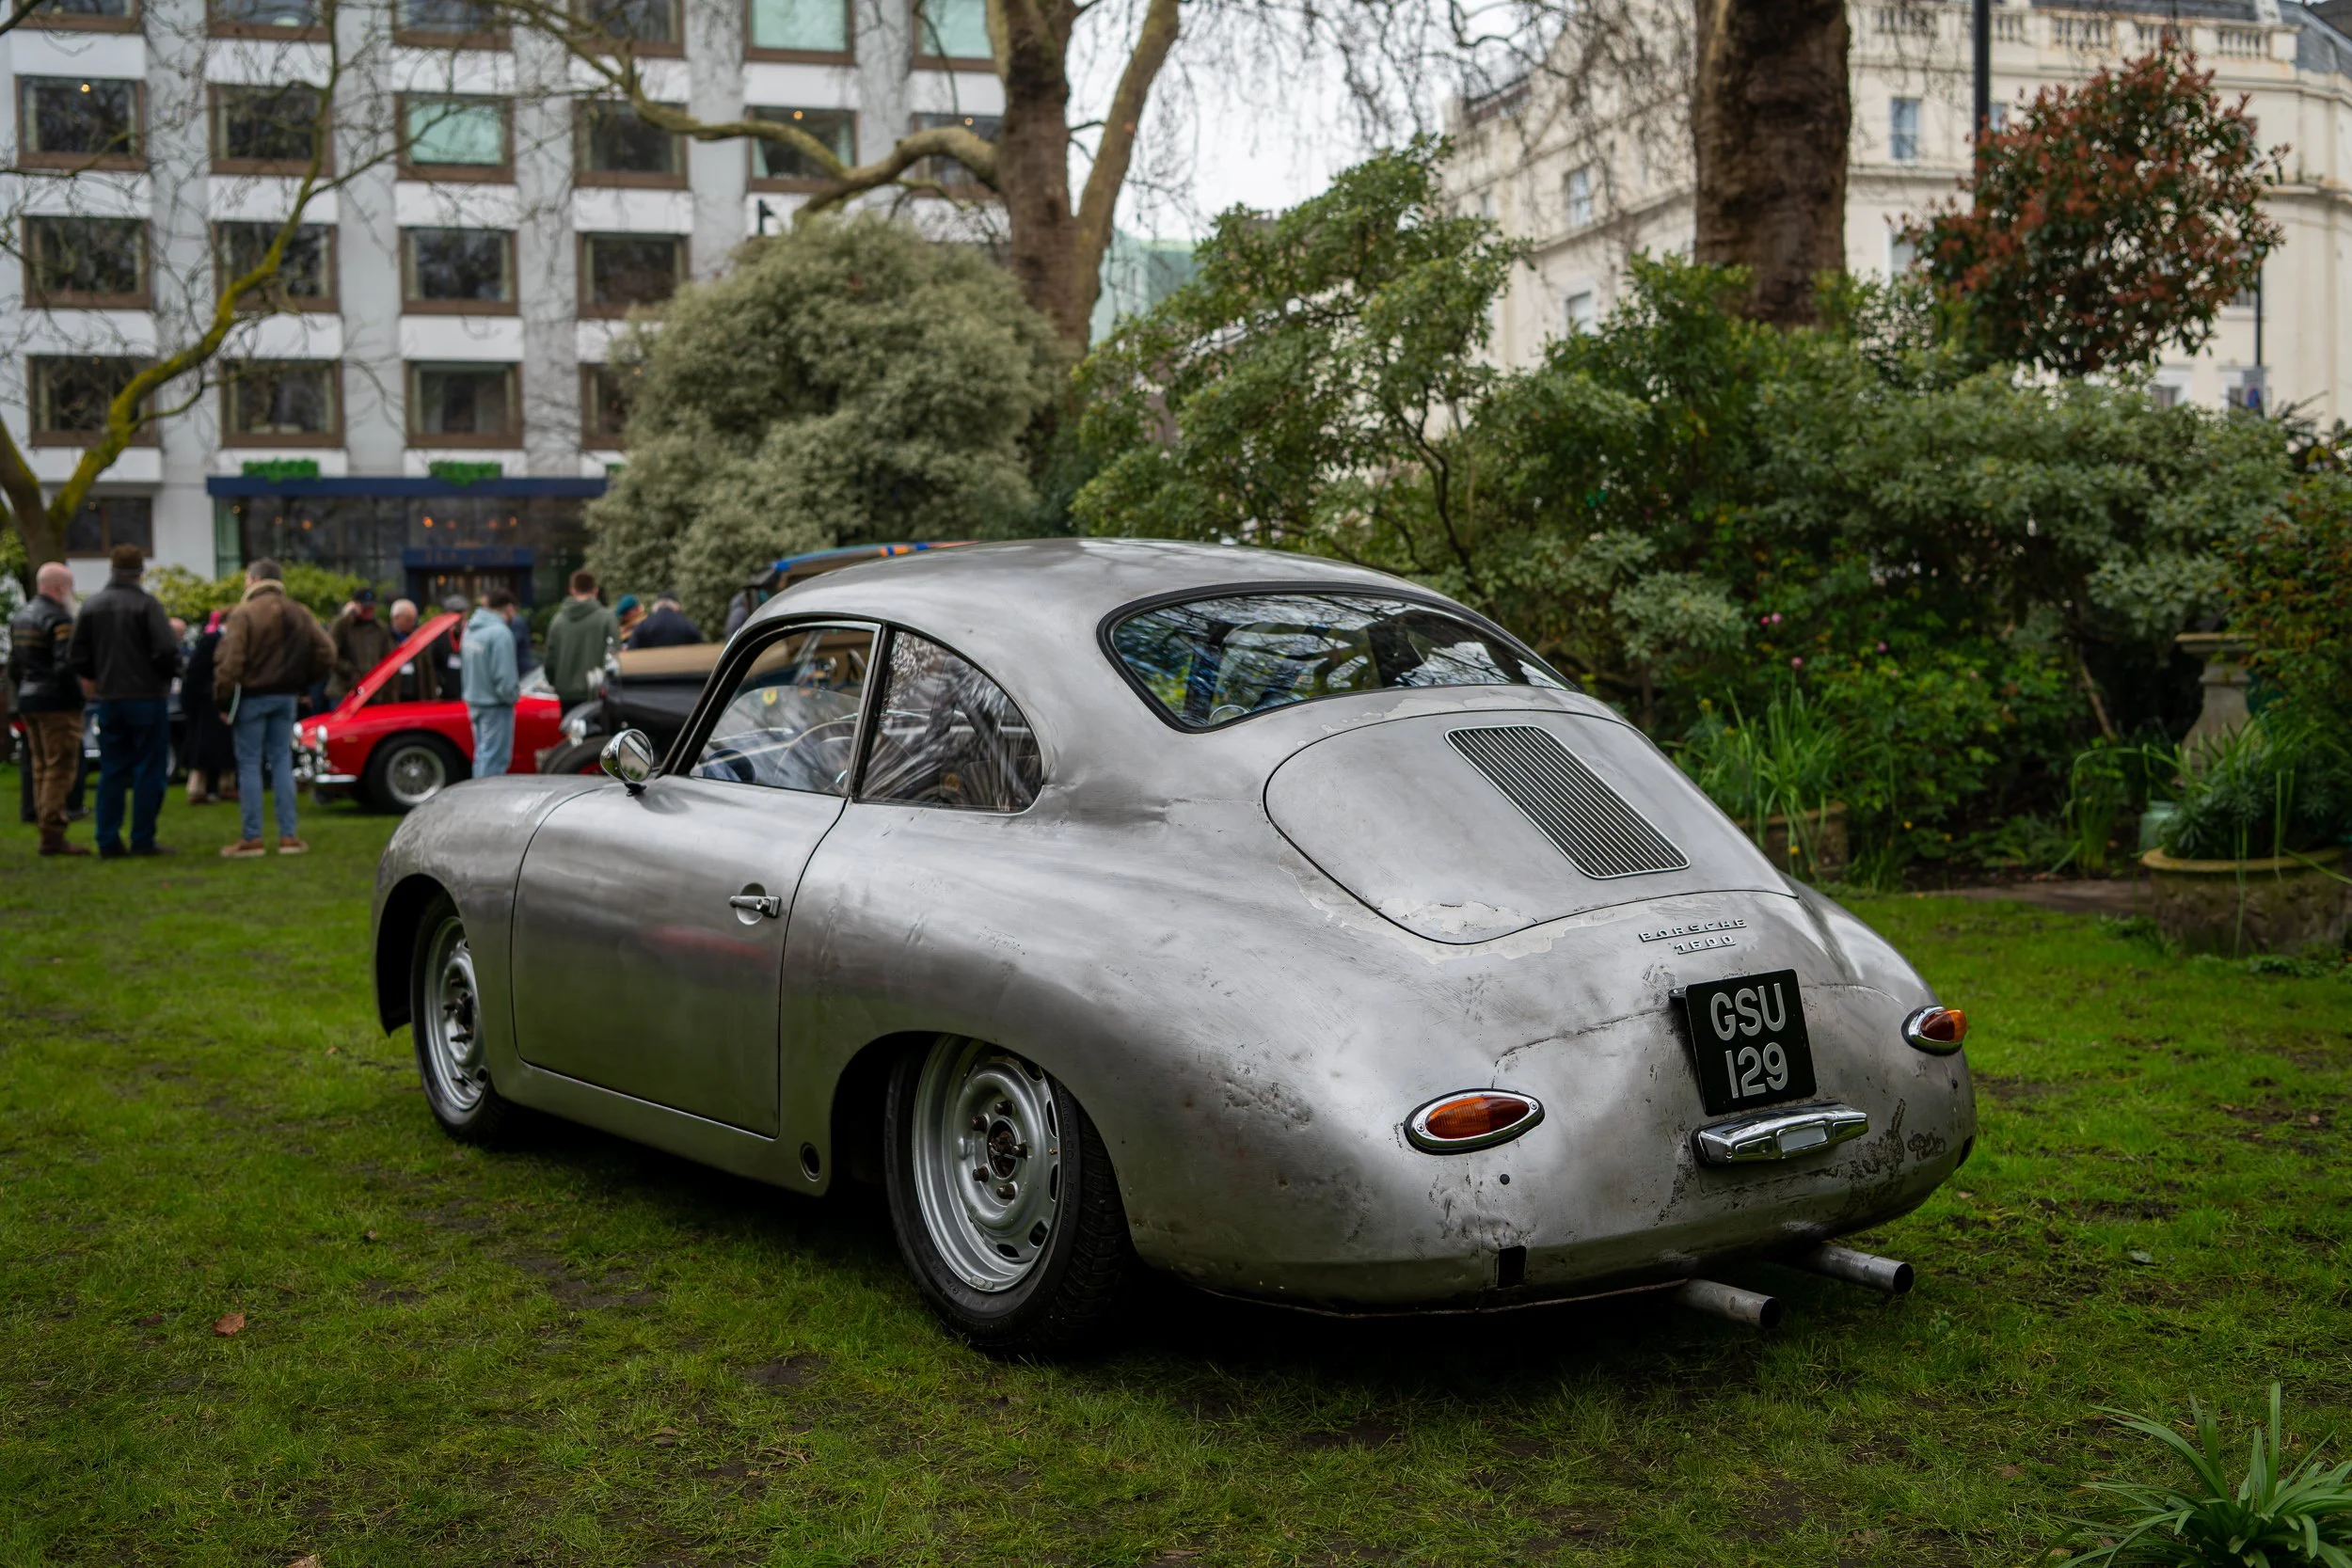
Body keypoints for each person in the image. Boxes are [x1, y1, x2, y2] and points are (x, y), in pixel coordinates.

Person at [215, 558, 335, 859]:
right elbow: (327, 652)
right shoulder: (299, 612)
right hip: (286, 696)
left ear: (254, 579)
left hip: (252, 697)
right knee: (282, 762)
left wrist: (222, 699)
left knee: (249, 765)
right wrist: (304, 681)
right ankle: (288, 836)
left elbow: (231, 663)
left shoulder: (244, 614)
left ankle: (252, 837)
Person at [68, 543, 181, 859]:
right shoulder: (147, 606)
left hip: (110, 698)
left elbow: (76, 656)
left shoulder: (92, 607)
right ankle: (142, 838)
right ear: (140, 571)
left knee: (112, 769)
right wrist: (165, 675)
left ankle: (107, 839)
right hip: (147, 698)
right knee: (149, 769)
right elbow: (166, 650)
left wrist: (99, 675)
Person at [7, 561, 87, 856]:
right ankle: (52, 831)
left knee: (40, 766)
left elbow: (15, 666)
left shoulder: (21, 616)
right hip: (56, 703)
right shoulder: (59, 618)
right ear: (59, 587)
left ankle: (44, 821)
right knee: (60, 767)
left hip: (30, 698)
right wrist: (77, 699)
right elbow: (65, 666)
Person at [180, 608, 238, 804]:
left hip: (218, 699)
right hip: (207, 702)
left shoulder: (223, 641)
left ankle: (222, 786)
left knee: (221, 746)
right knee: (205, 747)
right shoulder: (210, 641)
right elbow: (195, 673)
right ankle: (199, 788)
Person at [462, 588, 520, 777]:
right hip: (496, 704)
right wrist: (512, 696)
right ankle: (485, 803)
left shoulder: (471, 629)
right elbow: (504, 676)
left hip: (475, 700)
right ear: (509, 608)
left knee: (482, 755)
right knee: (494, 760)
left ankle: (477, 797)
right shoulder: (500, 633)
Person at [543, 569, 618, 707]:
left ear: (572, 590)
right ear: (595, 590)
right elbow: (615, 656)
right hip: (598, 692)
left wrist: (554, 682)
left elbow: (550, 659)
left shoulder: (558, 621)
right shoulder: (606, 618)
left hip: (565, 692)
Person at [327, 587, 395, 705]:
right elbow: (331, 654)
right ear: (355, 605)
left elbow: (388, 655)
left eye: (371, 607)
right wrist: (350, 671)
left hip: (372, 692)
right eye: (365, 607)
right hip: (344, 691)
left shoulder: (381, 629)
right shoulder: (342, 625)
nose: (368, 611)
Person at [383, 598, 440, 704]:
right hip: (394, 698)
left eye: (414, 619)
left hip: (417, 696)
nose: (412, 623)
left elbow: (428, 671)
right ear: (396, 618)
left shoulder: (419, 640)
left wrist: (433, 698)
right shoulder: (384, 639)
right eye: (408, 619)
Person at [626, 593, 703, 649]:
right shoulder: (688, 625)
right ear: (676, 606)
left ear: (655, 606)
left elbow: (632, 649)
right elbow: (701, 649)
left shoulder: (642, 626)